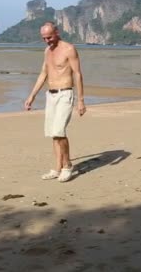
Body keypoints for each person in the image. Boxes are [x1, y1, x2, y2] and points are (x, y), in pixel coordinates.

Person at [24, 22, 86, 182]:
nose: (47, 41)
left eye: (50, 37)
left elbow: (78, 74)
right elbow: (43, 74)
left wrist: (81, 100)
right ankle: (57, 168)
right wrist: (32, 95)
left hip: (65, 94)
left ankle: (67, 166)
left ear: (57, 32)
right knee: (53, 133)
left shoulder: (69, 49)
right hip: (50, 96)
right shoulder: (47, 51)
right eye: (44, 38)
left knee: (59, 131)